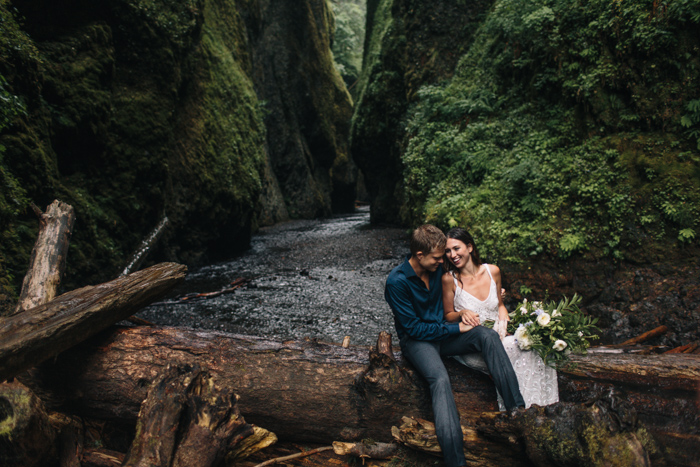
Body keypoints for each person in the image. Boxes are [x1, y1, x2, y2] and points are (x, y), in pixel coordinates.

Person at [385, 224, 524, 467]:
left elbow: (467, 277)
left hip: (445, 335)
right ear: (420, 256)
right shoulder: (396, 282)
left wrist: (496, 296)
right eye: (439, 257)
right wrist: (456, 327)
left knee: (486, 336)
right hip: (419, 342)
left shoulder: (438, 268)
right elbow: (415, 329)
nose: (444, 261)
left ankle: (518, 414)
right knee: (440, 380)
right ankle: (455, 461)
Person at [442, 227, 559, 410]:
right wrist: (462, 313)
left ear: (470, 247)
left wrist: (504, 314)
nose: (452, 255)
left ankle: (541, 405)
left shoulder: (493, 271)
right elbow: (448, 316)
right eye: (448, 251)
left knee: (533, 344)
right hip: (474, 341)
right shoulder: (449, 279)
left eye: (456, 248)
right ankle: (518, 410)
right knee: (512, 346)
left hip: (501, 331)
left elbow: (500, 304)